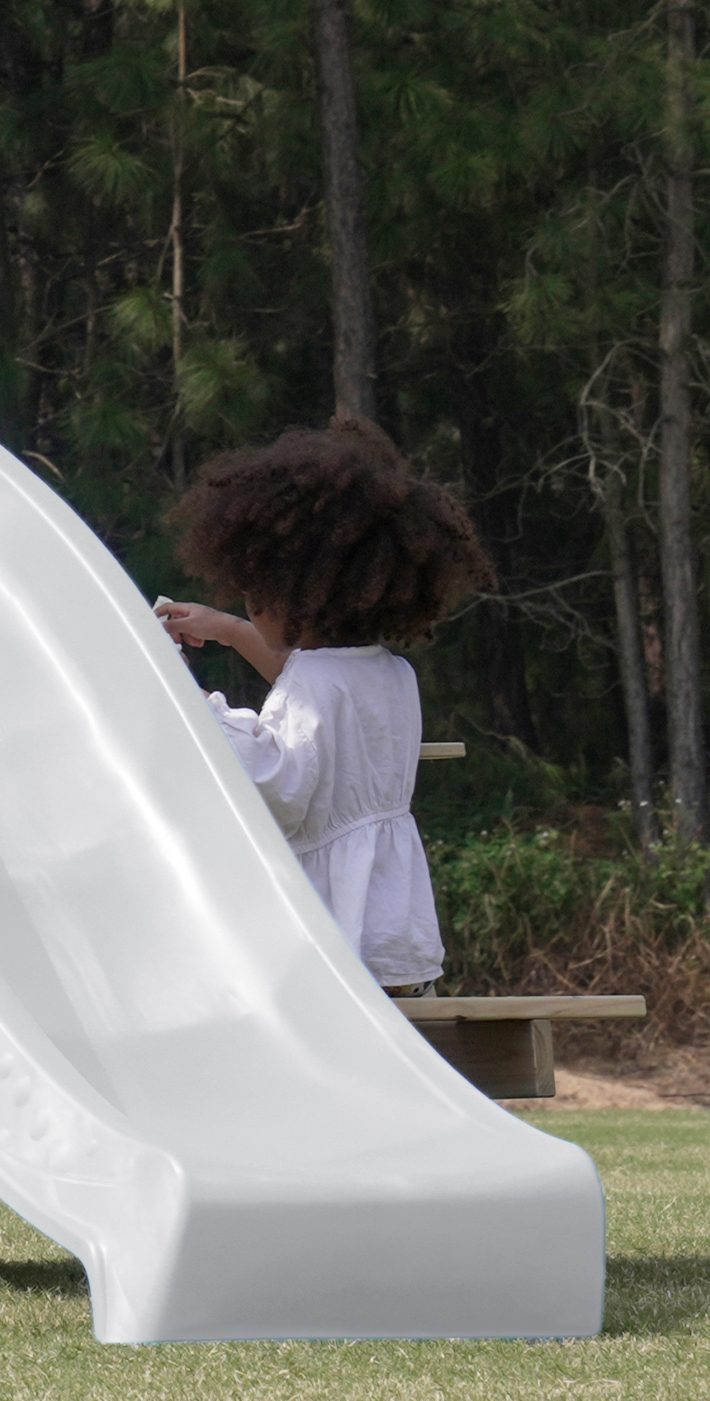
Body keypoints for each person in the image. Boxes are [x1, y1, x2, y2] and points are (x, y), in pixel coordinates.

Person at [155, 415, 491, 992]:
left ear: (296, 593)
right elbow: (319, 701)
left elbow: (279, 786)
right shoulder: (391, 673)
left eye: (254, 595)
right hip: (394, 927)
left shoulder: (314, 682)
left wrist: (187, 698)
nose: (250, 605)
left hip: (339, 930)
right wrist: (233, 631)